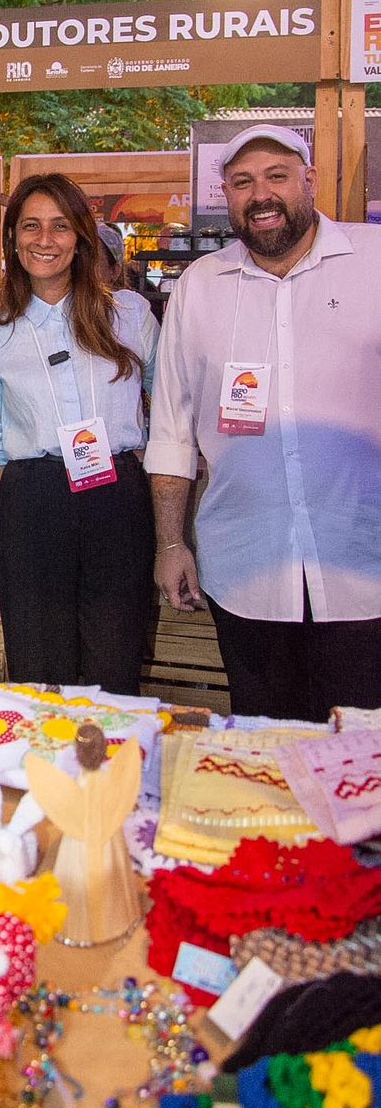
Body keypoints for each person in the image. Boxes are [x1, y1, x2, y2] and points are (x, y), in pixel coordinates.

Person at [146, 123, 381, 723]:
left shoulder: (372, 263)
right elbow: (171, 431)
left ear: (310, 180)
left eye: (277, 176)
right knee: (262, 746)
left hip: (364, 567)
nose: (261, 195)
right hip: (247, 572)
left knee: (364, 751)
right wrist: (171, 543)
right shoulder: (199, 287)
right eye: (243, 182)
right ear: (225, 194)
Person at [0, 173, 159, 693]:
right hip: (32, 504)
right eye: (31, 226)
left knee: (114, 670)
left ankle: (113, 750)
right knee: (37, 675)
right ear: (12, 238)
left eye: (59, 226)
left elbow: (168, 414)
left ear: (80, 236)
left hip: (117, 500)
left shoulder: (130, 316)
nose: (45, 240)